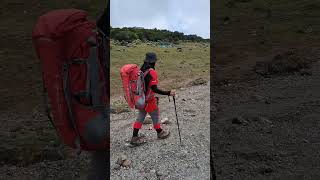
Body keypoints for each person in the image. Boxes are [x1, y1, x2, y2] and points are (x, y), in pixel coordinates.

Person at [130, 52, 176, 145]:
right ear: (154, 61)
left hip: (141, 99)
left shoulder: (141, 70)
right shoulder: (152, 72)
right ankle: (160, 132)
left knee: (141, 116)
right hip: (149, 100)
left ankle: (134, 137)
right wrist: (168, 93)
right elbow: (154, 88)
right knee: (155, 115)